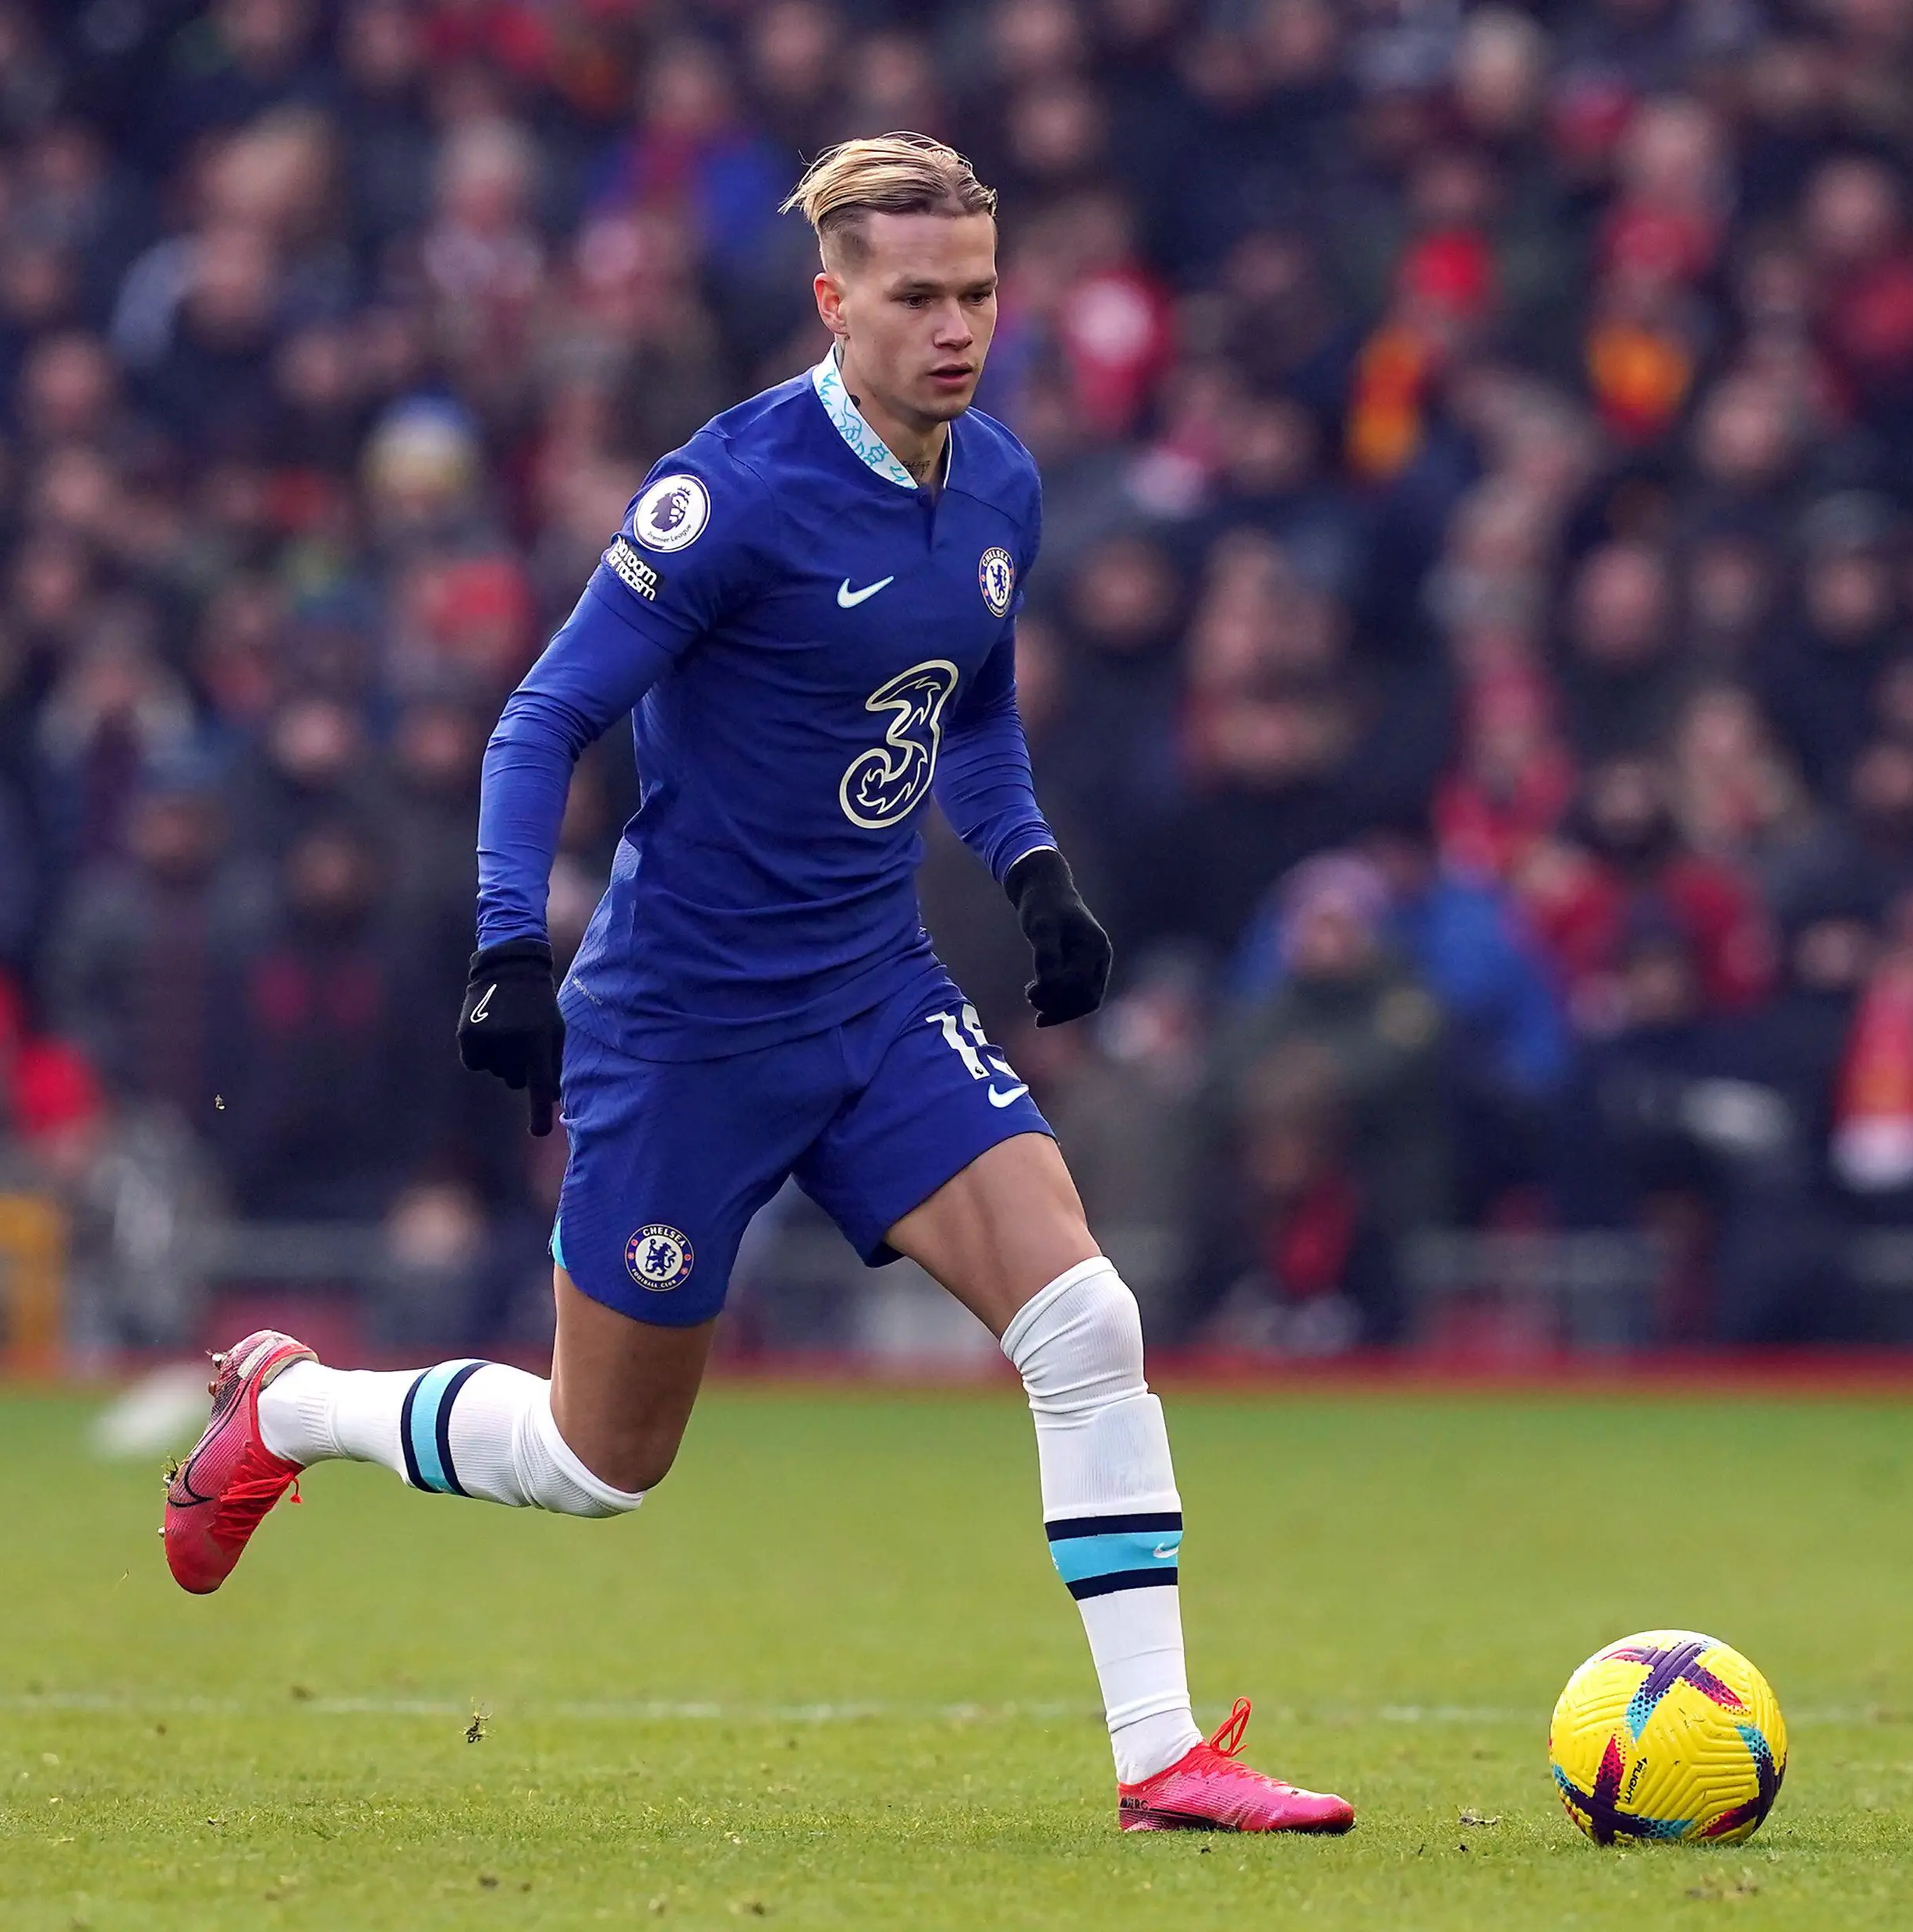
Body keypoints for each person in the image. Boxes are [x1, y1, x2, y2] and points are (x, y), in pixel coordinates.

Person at [158, 135, 1351, 1835]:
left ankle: (1163, 1757)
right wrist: (511, 947)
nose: (957, 328)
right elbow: (541, 720)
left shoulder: (999, 484)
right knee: (600, 1465)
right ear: (832, 300)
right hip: (685, 1027)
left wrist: (1029, 869)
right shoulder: (727, 496)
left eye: (980, 293)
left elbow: (974, 705)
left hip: (873, 994)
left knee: (1086, 1319)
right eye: (918, 296)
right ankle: (296, 1405)